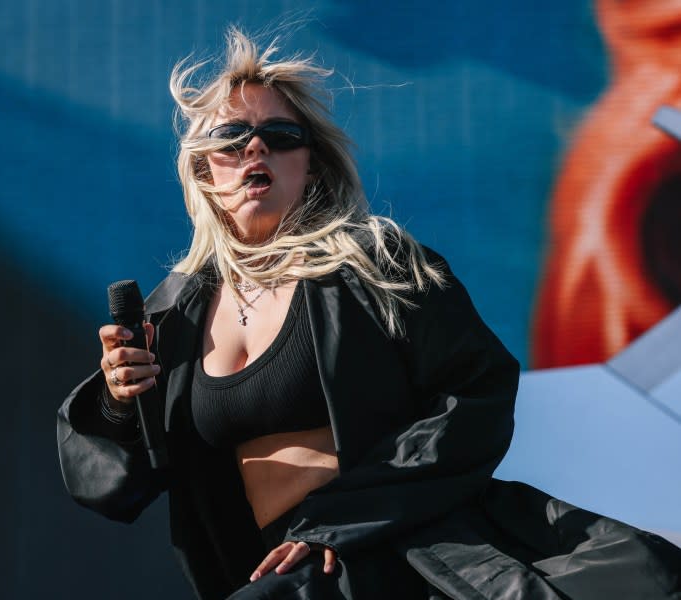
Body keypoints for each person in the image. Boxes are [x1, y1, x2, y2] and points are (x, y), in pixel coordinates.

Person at [57, 28, 681, 600]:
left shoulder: (377, 266)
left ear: (310, 165)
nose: (257, 149)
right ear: (204, 167)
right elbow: (109, 487)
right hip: (267, 568)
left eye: (281, 137)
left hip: (397, 553)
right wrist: (118, 402)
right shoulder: (175, 311)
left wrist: (347, 518)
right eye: (232, 137)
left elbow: (478, 393)